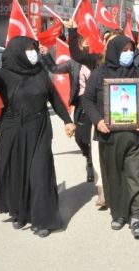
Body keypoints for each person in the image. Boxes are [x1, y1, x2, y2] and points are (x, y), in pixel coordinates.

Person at [0, 36, 75, 238]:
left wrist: (67, 120)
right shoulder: (3, 74)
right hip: (12, 129)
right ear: (18, 51)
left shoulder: (40, 72)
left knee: (39, 174)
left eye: (34, 48)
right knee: (17, 173)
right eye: (30, 48)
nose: (33, 52)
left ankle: (43, 219)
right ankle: (20, 213)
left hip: (38, 127)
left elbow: (54, 99)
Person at [82, 35, 139, 239]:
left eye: (130, 49)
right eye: (123, 50)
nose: (128, 53)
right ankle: (119, 214)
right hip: (109, 137)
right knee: (113, 177)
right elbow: (87, 100)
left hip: (135, 136)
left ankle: (136, 217)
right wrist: (98, 120)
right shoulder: (99, 74)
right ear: (114, 51)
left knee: (136, 177)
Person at [40, 38, 95, 183]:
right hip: (80, 102)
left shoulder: (98, 61)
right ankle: (88, 155)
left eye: (89, 42)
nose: (87, 44)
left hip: (96, 103)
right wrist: (46, 55)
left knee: (93, 135)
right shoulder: (73, 63)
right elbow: (54, 69)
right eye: (84, 42)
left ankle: (91, 164)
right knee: (79, 137)